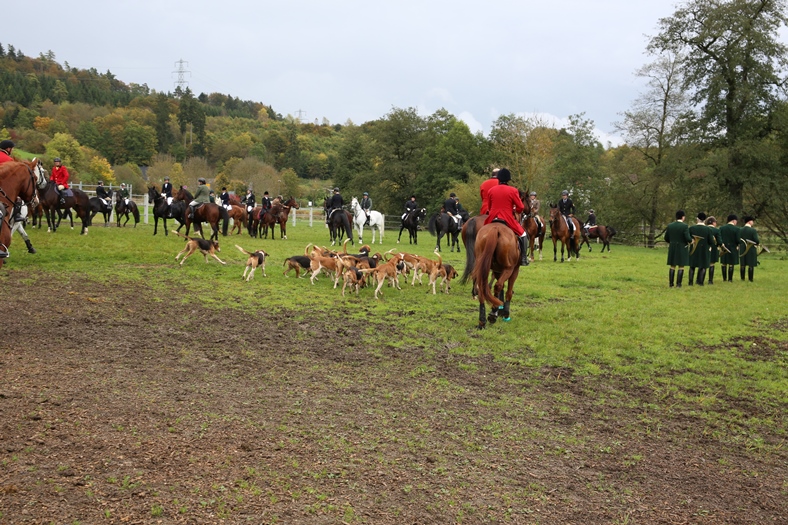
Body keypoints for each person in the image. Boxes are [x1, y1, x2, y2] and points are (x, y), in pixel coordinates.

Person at [484, 168, 529, 267]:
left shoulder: (491, 190)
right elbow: (521, 207)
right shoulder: (513, 190)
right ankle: (524, 258)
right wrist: (515, 211)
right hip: (507, 217)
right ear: (508, 179)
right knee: (523, 234)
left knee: (481, 232)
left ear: (498, 179)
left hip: (492, 217)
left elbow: (489, 207)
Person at [665, 210, 692, 287]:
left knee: (672, 266)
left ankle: (671, 284)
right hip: (682, 247)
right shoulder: (685, 226)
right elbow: (688, 238)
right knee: (681, 266)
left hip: (672, 247)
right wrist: (691, 240)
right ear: (683, 217)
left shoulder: (670, 225)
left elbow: (666, 238)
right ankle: (679, 284)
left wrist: (672, 242)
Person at [688, 212, 714, 286]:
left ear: (697, 219)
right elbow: (711, 241)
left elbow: (689, 239)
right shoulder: (708, 229)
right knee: (703, 266)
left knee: (692, 266)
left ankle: (690, 282)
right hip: (704, 249)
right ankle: (701, 282)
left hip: (694, 249)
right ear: (705, 220)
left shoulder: (692, 228)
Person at [719, 214, 741, 282]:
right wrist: (738, 244)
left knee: (724, 263)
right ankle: (730, 279)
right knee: (731, 264)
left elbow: (719, 238)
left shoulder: (721, 228)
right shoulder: (737, 229)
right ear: (734, 221)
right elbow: (738, 240)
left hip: (724, 247)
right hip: (733, 247)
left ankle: (724, 279)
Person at [738, 216, 760, 282]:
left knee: (742, 264)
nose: (753, 222)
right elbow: (756, 240)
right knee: (751, 264)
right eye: (752, 221)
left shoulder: (740, 229)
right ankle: (750, 279)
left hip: (742, 248)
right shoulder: (753, 230)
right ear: (749, 221)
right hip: (751, 249)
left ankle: (742, 279)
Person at [705, 216, 722, 284]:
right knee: (712, 264)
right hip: (713, 248)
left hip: (705, 248)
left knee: (703, 264)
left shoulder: (704, 229)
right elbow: (719, 241)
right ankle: (710, 280)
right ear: (714, 223)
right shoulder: (716, 230)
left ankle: (699, 279)